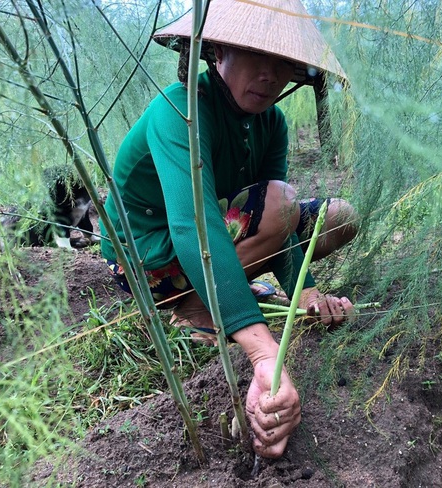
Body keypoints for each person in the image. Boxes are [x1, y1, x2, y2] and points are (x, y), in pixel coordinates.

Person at [100, 0, 358, 459]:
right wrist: (262, 353)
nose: (270, 75)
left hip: (217, 231)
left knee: (340, 216)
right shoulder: (179, 112)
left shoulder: (272, 123)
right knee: (280, 204)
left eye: (283, 63)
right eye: (256, 56)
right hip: (150, 258)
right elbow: (189, 227)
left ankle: (229, 295)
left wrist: (308, 292)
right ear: (216, 50)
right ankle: (200, 307)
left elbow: (273, 218)